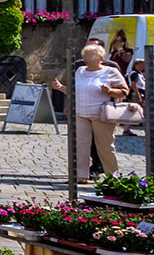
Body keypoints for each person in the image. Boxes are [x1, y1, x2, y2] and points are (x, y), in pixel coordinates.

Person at [51, 44, 129, 183]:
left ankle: (113, 176)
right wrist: (60, 88)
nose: (88, 59)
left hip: (101, 113)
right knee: (80, 145)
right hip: (80, 113)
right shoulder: (80, 71)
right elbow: (74, 91)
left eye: (91, 56)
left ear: (100, 57)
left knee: (105, 146)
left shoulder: (111, 71)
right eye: (86, 56)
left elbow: (124, 91)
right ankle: (80, 175)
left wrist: (110, 91)